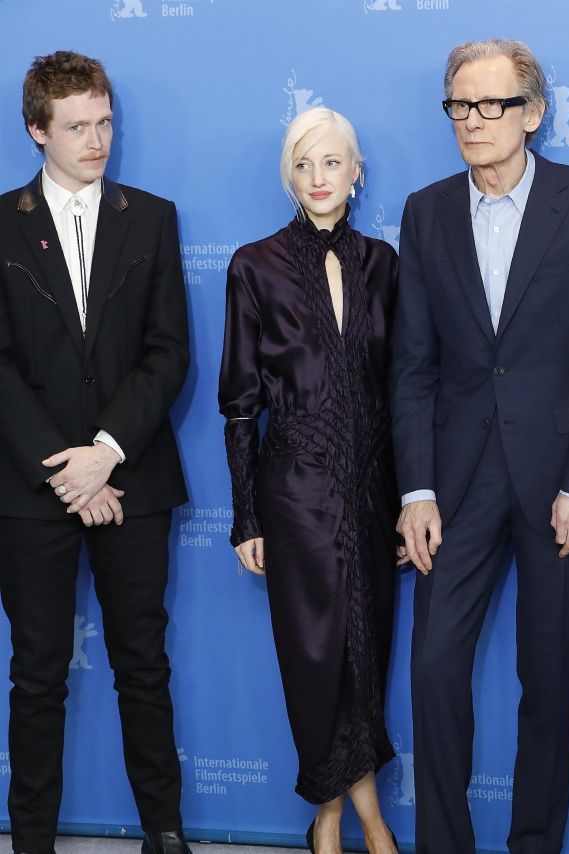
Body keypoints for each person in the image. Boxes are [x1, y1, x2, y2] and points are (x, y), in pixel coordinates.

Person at [391, 39, 569, 854]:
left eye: (491, 105)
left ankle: (535, 844)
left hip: (560, 482)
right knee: (431, 670)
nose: (473, 121)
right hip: (454, 483)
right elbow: (413, 365)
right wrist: (415, 490)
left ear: (533, 114)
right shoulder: (425, 211)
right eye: (460, 105)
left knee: (549, 681)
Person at [0, 51, 191, 854]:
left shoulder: (151, 217)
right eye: (77, 126)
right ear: (38, 130)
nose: (97, 139)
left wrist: (104, 453)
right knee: (37, 677)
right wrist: (68, 471)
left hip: (131, 481)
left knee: (143, 666)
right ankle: (33, 840)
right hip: (29, 489)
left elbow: (167, 352)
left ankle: (166, 831)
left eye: (105, 121)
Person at [219, 108, 399, 854]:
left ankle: (328, 816)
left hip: (373, 492)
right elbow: (238, 404)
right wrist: (244, 516)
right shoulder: (253, 264)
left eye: (332, 163)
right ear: (289, 177)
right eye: (304, 165)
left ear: (356, 172)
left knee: (368, 656)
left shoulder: (383, 263)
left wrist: (407, 501)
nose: (319, 179)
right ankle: (366, 820)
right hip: (292, 494)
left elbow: (402, 391)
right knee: (314, 657)